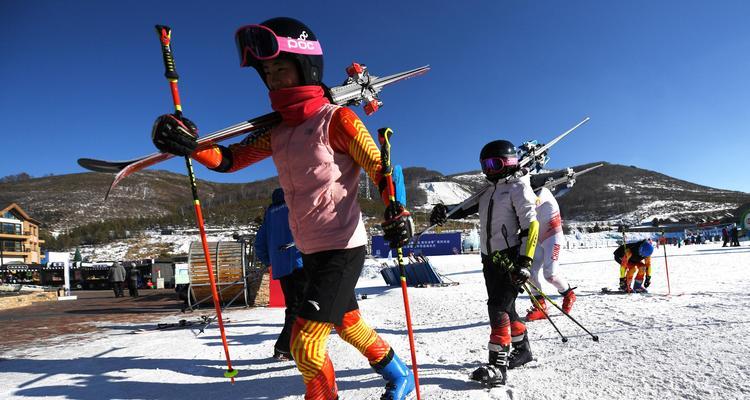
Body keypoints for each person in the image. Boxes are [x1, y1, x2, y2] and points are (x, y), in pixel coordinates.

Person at [150, 17, 415, 400]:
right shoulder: (279, 131)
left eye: (281, 69)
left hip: (343, 246)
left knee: (304, 346)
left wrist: (398, 210)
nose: (274, 79)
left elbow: (381, 167)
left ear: (305, 67)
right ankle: (399, 375)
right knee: (348, 321)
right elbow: (230, 159)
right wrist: (190, 144)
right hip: (310, 249)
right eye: (267, 72)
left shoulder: (336, 119)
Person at [430, 139, 539, 386]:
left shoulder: (519, 187)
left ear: (510, 163)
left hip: (510, 256)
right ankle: (523, 350)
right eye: (485, 165)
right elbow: (462, 208)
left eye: (494, 163)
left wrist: (525, 261)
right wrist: (442, 211)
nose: (489, 170)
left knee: (498, 308)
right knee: (506, 306)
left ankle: (498, 366)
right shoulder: (488, 190)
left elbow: (531, 225)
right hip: (490, 258)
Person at [254, 188, 307, 361]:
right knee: (300, 307)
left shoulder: (269, 215)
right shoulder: (295, 207)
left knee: (293, 306)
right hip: (299, 263)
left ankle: (294, 346)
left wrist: (270, 261)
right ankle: (284, 348)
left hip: (281, 268)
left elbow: (259, 243)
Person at [524, 186, 576, 321]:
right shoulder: (522, 193)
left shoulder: (542, 191)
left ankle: (569, 294)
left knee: (550, 275)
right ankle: (540, 307)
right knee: (528, 272)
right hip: (538, 238)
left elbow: (529, 205)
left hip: (553, 237)